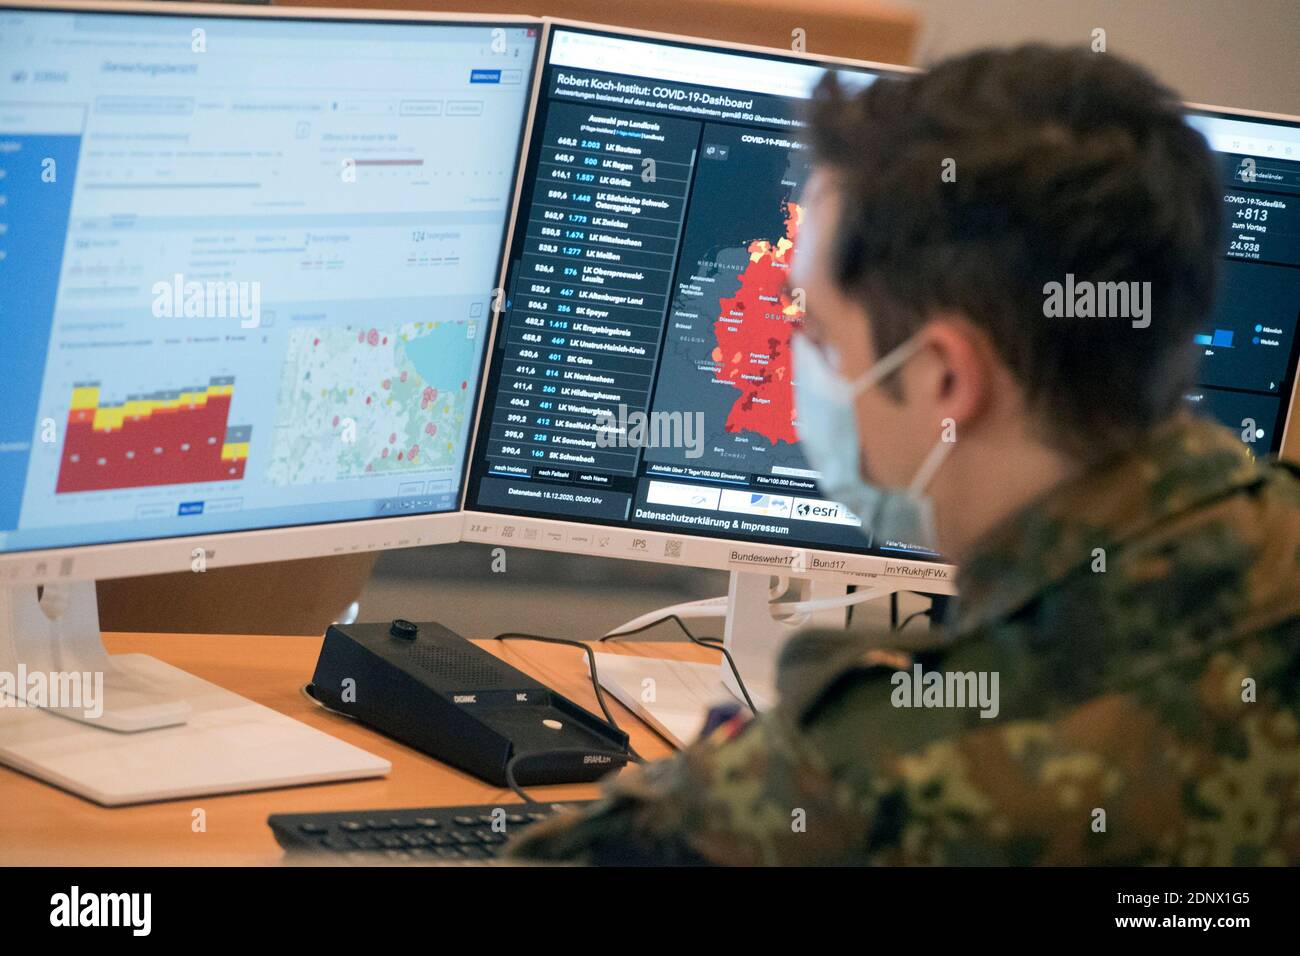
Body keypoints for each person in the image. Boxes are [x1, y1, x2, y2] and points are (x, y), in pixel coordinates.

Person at [508, 45, 1300, 866]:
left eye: (815, 333)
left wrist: (740, 776)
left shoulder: (868, 777)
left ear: (946, 377)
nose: (799, 364)